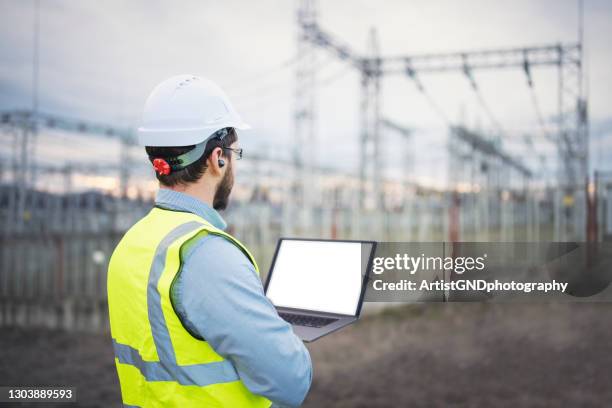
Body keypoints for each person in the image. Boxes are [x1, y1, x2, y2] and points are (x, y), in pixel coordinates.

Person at [107, 75, 312, 407]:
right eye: (234, 154)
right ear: (218, 158)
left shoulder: (133, 244)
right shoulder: (206, 254)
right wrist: (281, 338)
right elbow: (291, 381)